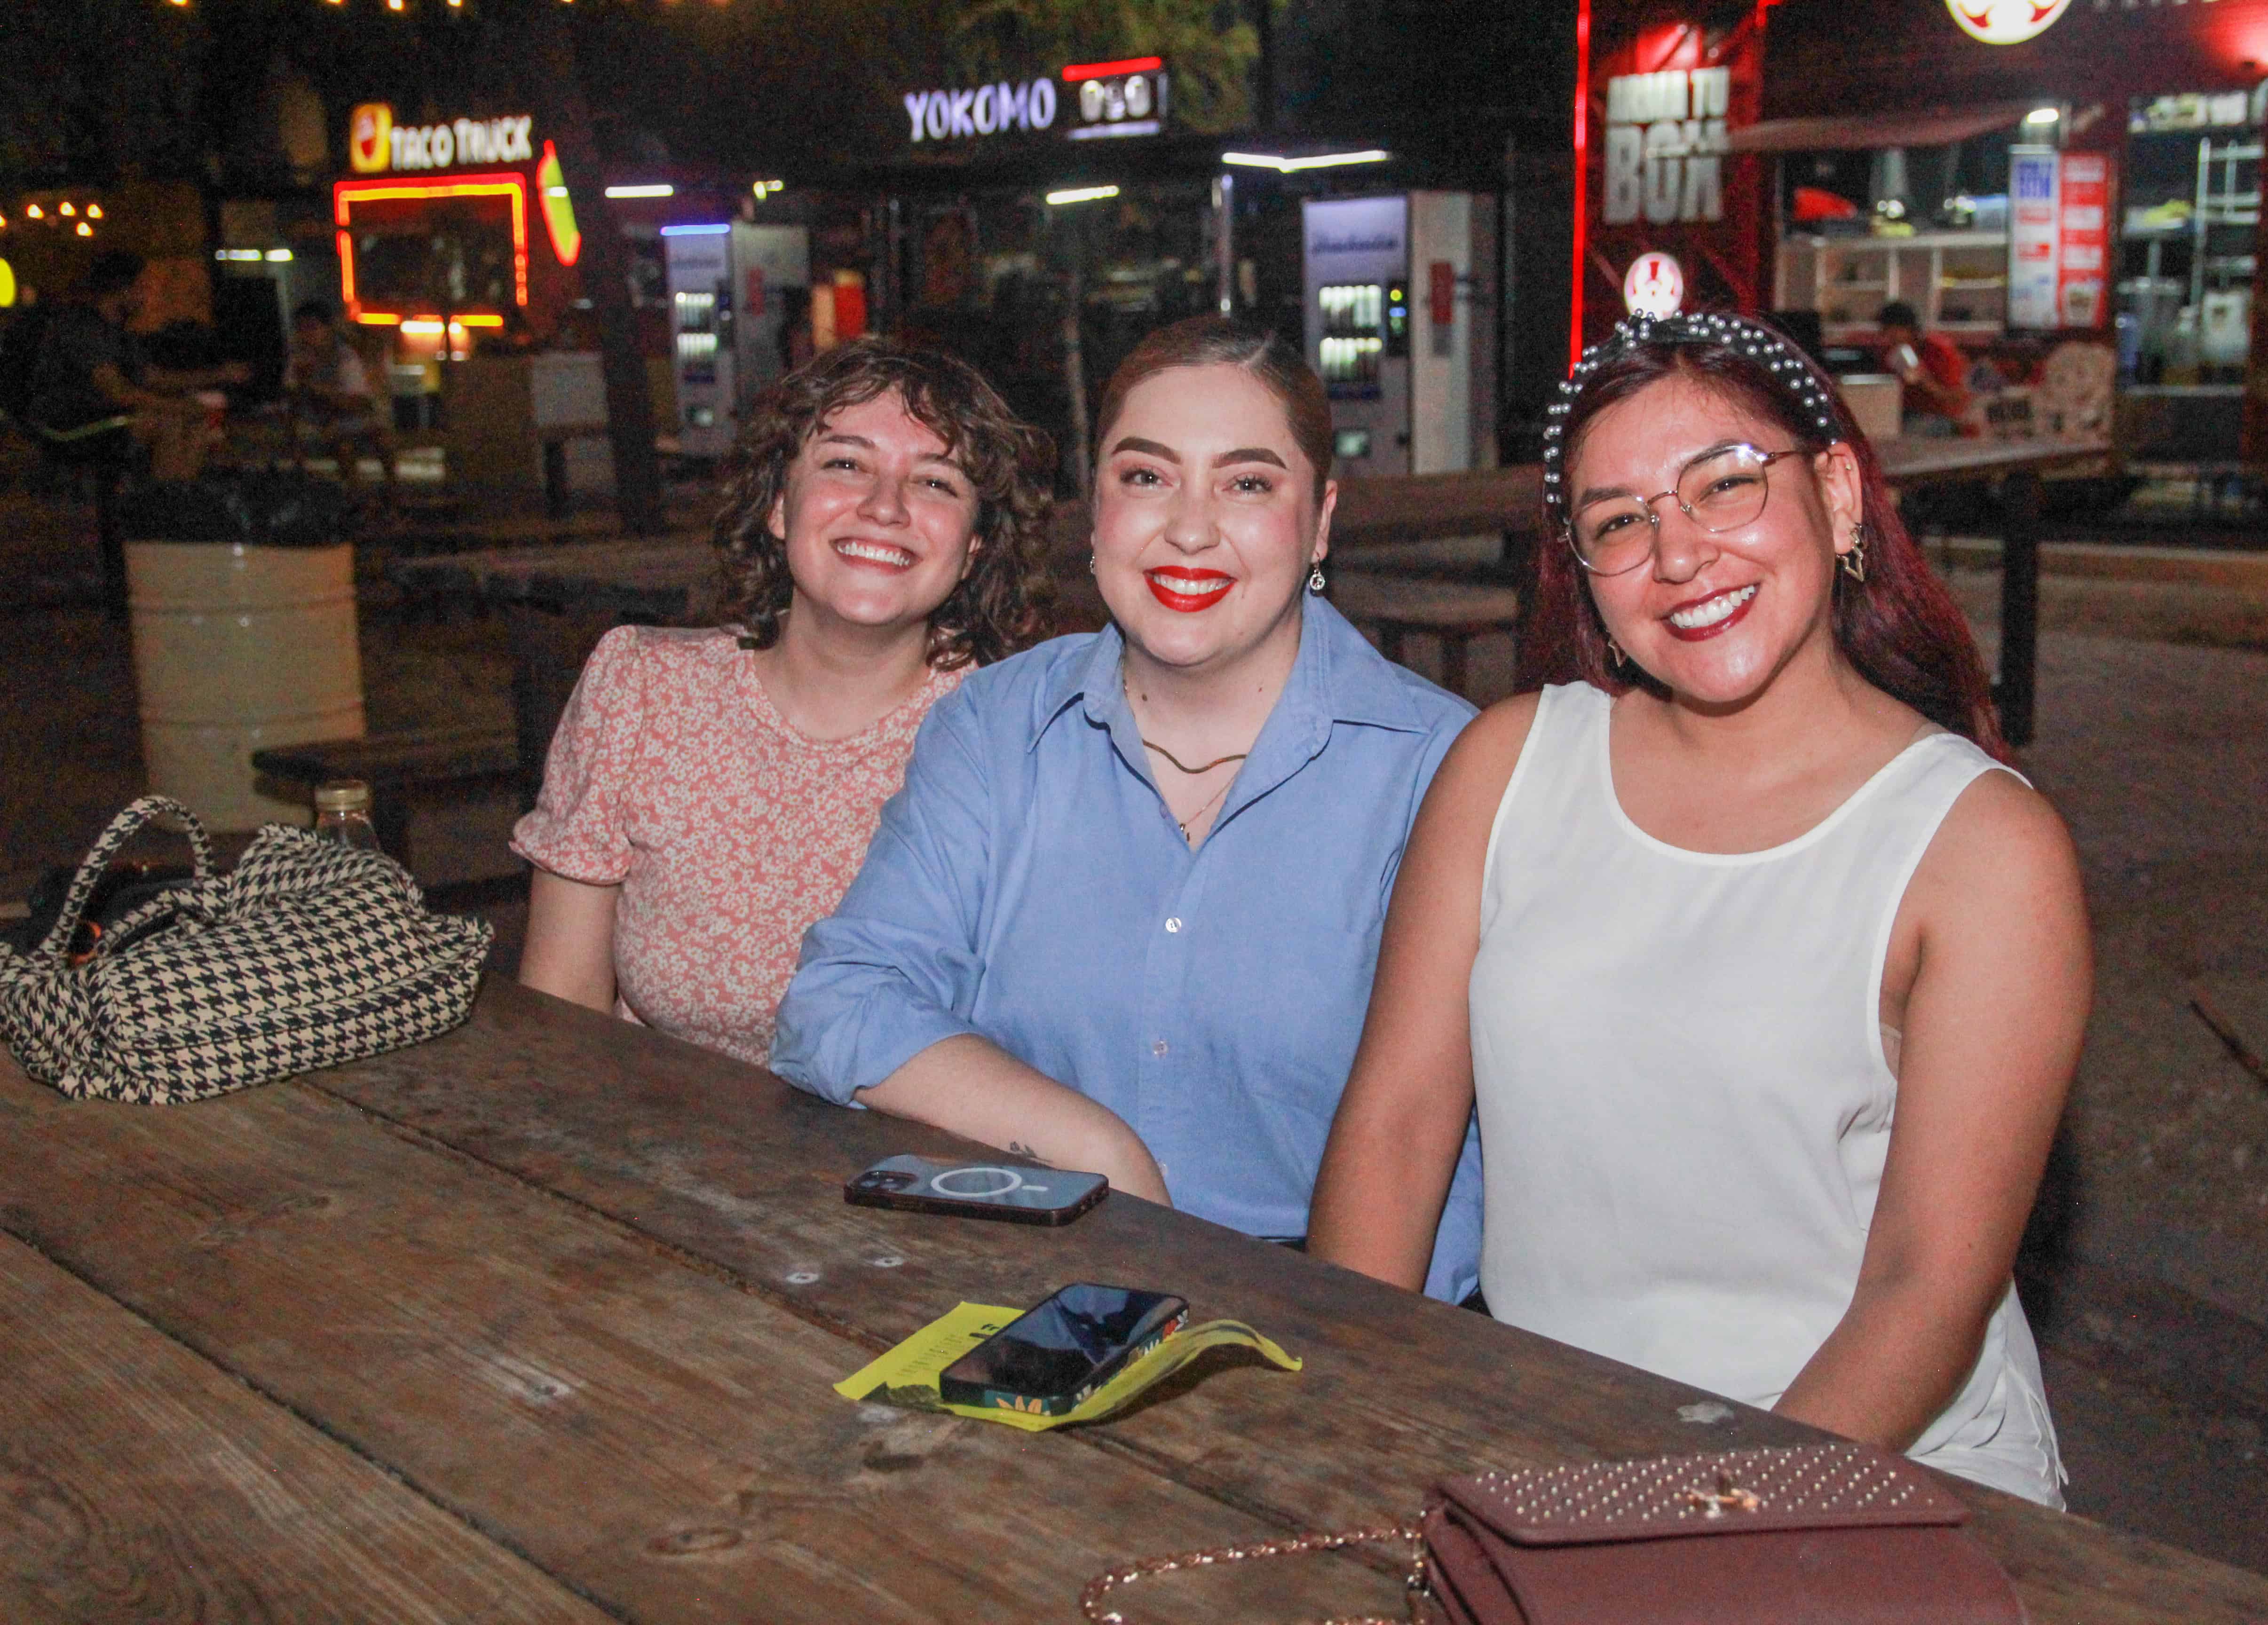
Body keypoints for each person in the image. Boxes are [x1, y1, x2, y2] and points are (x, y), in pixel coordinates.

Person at [1308, 311, 2088, 1503]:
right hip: (1540, 1441)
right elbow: (1397, 1123)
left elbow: (1925, 1288)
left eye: (1723, 486)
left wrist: (1688, 1525)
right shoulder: (1507, 767)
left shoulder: (1982, 847)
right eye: (1619, 519)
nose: (1676, 555)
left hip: (1872, 1467)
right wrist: (1346, 1417)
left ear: (1834, 496)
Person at [772, 316, 1486, 1301]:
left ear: (1319, 522)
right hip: (1033, 1280)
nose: (1189, 528)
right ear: (1096, 510)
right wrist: (1105, 1151)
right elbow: (840, 998)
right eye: (1146, 477)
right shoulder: (996, 726)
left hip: (1343, 1322)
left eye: (1247, 484)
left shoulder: (1443, 767)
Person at [512, 340, 1055, 1065]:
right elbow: (561, 1009)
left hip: (912, 1165)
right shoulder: (643, 689)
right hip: (657, 1138)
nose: (885, 506)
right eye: (846, 464)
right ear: (777, 506)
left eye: (935, 483)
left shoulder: (1016, 738)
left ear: (975, 547)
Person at [25, 252, 246, 483]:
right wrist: (177, 406)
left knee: (193, 421)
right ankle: (161, 503)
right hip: (72, 422)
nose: (147, 295)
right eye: (142, 287)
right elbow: (118, 392)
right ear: (123, 289)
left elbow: (153, 377)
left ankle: (179, 500)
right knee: (168, 423)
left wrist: (221, 375)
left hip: (106, 415)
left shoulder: (119, 330)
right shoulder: (84, 328)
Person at [284, 300, 399, 499]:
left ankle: (393, 493)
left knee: (381, 439)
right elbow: (292, 396)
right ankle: (354, 496)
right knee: (342, 446)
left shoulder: (344, 357)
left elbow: (358, 401)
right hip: (316, 421)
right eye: (301, 329)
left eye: (312, 328)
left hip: (347, 418)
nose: (307, 335)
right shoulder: (299, 359)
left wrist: (325, 394)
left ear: (327, 329)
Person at [1874, 300, 1974, 436]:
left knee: (1908, 430)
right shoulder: (1892, 354)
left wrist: (1926, 381)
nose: (1889, 339)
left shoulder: (1938, 351)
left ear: (1909, 329)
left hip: (1940, 418)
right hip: (1904, 414)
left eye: (1893, 333)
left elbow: (1958, 398)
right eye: (1886, 334)